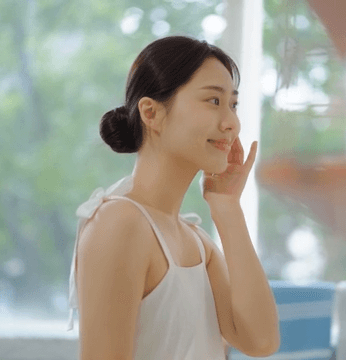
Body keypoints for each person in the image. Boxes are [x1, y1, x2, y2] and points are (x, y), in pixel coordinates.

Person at [66, 36, 280, 360]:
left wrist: (227, 207)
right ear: (151, 113)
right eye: (213, 101)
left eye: (233, 104)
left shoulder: (196, 241)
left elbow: (261, 341)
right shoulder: (118, 224)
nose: (232, 123)